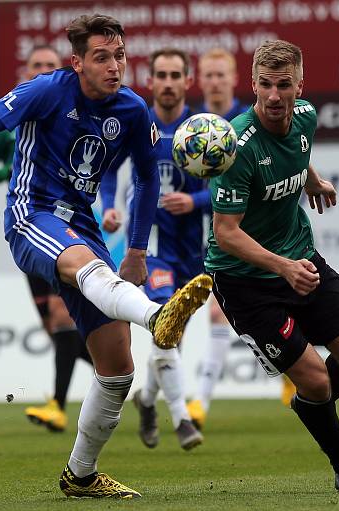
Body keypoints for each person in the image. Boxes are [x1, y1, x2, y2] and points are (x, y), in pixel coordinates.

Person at [0, 14, 212, 499]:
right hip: (33, 214)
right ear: (78, 63)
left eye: (121, 56)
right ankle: (157, 316)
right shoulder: (46, 90)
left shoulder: (132, 110)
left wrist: (134, 251)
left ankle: (80, 476)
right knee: (85, 264)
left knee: (117, 372)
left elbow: (148, 178)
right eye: (103, 57)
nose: (115, 66)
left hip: (79, 222)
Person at [205, 39, 339, 495]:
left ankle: (312, 406)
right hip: (245, 281)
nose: (273, 96)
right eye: (264, 85)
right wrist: (283, 267)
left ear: (299, 87)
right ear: (252, 85)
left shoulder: (306, 116)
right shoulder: (236, 147)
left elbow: (297, 150)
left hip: (301, 258)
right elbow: (226, 232)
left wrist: (313, 179)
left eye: (283, 85)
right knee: (315, 378)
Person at [0, 45, 90, 433]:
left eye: (48, 66)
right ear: (26, 72)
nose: (42, 71)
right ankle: (125, 379)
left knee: (61, 317)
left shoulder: (64, 116)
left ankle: (57, 406)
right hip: (25, 231)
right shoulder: (9, 127)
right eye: (35, 65)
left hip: (59, 226)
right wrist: (15, 165)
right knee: (57, 330)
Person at [101, 48, 206, 451]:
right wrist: (110, 204)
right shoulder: (136, 119)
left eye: (174, 74)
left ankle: (146, 400)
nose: (166, 82)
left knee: (171, 339)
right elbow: (110, 169)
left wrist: (194, 203)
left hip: (193, 250)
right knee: (165, 327)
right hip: (151, 246)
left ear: (185, 80)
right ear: (152, 79)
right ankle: (181, 419)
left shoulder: (201, 129)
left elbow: (227, 191)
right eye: (160, 74)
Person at [187, 47, 295, 431]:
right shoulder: (195, 125)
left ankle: (287, 370)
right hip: (217, 232)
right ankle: (198, 402)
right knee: (215, 314)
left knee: (266, 304)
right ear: (200, 79)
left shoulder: (251, 121)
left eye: (221, 74)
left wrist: (195, 197)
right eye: (209, 74)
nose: (215, 81)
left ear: (236, 80)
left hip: (257, 232)